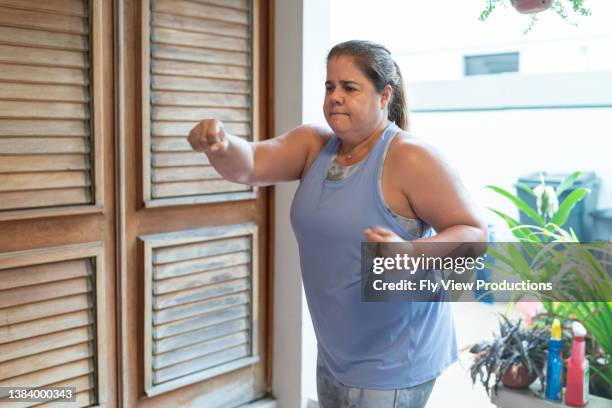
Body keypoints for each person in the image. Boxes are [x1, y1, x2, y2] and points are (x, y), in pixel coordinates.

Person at [188, 40, 487, 408]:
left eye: (350, 87)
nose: (335, 97)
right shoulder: (314, 145)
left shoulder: (411, 158)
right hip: (335, 355)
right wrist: (220, 144)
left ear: (384, 96)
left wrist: (411, 253)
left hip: (394, 360)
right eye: (330, 86)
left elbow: (475, 236)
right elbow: (249, 163)